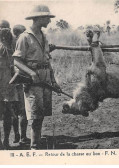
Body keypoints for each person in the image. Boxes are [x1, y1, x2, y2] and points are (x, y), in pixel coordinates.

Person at [12, 5, 61, 150]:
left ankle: (37, 143)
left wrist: (54, 81)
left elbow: (47, 61)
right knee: (34, 116)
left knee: (41, 114)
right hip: (33, 82)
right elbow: (17, 61)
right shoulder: (24, 37)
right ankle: (34, 148)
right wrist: (32, 73)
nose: (49, 21)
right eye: (47, 18)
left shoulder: (44, 36)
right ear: (39, 18)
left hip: (45, 80)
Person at [0, 20, 19, 149]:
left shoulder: (14, 43)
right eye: (2, 28)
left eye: (6, 28)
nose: (4, 31)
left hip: (9, 84)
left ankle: (6, 140)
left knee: (8, 114)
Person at [11, 24, 29, 144]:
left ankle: (16, 135)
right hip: (20, 80)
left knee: (13, 112)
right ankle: (22, 137)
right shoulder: (21, 44)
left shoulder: (8, 44)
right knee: (23, 111)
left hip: (10, 83)